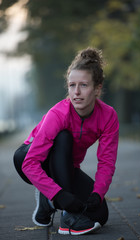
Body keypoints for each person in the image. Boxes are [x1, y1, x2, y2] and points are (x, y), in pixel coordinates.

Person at [13, 47, 119, 235]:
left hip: (65, 167)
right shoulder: (58, 114)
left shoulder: (108, 116)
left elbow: (107, 162)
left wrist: (98, 194)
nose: (76, 92)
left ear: (97, 88)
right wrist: (60, 194)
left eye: (83, 85)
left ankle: (48, 201)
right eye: (72, 85)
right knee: (63, 137)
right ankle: (66, 216)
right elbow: (30, 164)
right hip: (28, 158)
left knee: (100, 215)